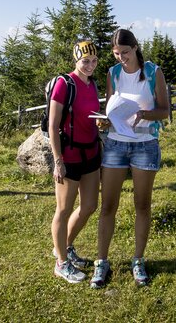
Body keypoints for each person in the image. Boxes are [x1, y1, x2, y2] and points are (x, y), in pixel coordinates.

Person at [91, 28, 169, 288]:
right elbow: (109, 109)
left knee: (142, 206)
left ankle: (138, 260)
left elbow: (164, 111)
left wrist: (144, 115)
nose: (121, 58)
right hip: (115, 144)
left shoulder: (152, 71)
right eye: (116, 54)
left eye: (125, 52)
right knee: (107, 206)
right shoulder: (112, 73)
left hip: (145, 145)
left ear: (135, 47)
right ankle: (101, 262)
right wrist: (104, 122)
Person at [49, 40, 103, 284]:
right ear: (76, 60)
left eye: (93, 61)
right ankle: (61, 263)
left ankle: (66, 247)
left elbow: (88, 117)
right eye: (85, 61)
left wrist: (102, 123)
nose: (90, 65)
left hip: (91, 153)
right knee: (63, 209)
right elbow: (53, 124)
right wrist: (57, 160)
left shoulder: (92, 85)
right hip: (69, 156)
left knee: (89, 205)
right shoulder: (64, 84)